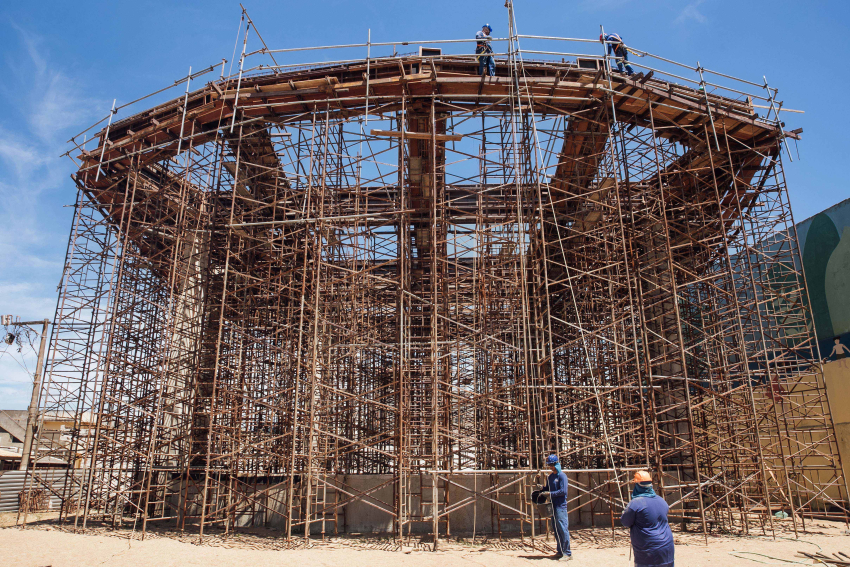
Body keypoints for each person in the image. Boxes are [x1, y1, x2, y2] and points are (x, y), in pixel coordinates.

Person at [621, 471, 674, 567]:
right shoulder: (661, 501)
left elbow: (625, 522)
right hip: (667, 550)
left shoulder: (635, 503)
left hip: (648, 552)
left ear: (637, 486)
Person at [538, 454, 572, 561]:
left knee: (563, 528)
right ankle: (560, 551)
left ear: (556, 464)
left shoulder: (562, 476)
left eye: (552, 465)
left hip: (560, 506)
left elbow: (563, 491)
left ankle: (567, 553)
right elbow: (548, 489)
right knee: (556, 529)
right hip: (552, 505)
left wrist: (550, 494)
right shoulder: (550, 477)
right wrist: (543, 488)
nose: (551, 467)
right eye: (549, 465)